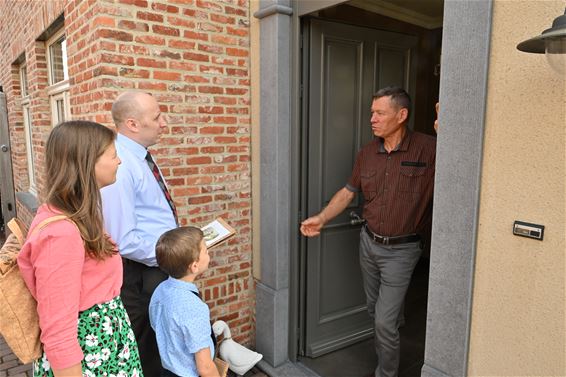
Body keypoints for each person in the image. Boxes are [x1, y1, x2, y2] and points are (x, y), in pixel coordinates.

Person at [300, 87, 436, 377]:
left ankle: (385, 373)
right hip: (369, 243)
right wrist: (322, 218)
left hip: (403, 249)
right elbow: (349, 192)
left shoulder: (429, 148)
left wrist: (451, 135)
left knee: (384, 323)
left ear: (402, 115)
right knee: (376, 311)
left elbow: (462, 168)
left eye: (379, 113)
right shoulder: (367, 153)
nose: (372, 119)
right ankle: (392, 325)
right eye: (371, 113)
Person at [17, 120, 143, 377]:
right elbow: (58, 330)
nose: (119, 161)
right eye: (113, 154)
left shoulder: (76, 216)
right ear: (87, 162)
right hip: (89, 362)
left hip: (104, 354)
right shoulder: (60, 234)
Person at [100, 90, 177, 376]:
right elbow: (122, 239)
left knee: (164, 347)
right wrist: (175, 256)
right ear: (132, 124)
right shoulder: (120, 164)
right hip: (141, 274)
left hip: (155, 267)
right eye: (157, 117)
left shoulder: (140, 156)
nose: (164, 122)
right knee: (151, 353)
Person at [149, 227, 220, 377]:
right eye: (206, 251)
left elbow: (156, 325)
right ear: (194, 266)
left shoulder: (160, 290)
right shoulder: (194, 308)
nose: (209, 253)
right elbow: (205, 367)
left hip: (168, 371)